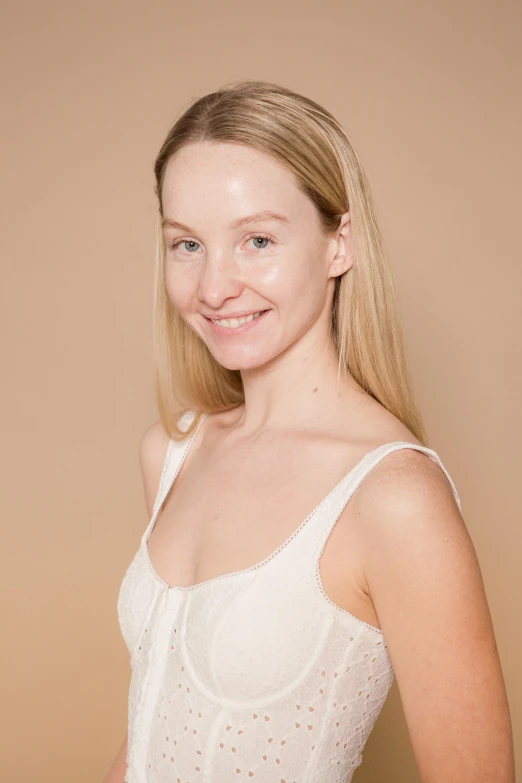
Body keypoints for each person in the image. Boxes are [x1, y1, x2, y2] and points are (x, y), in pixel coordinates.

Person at [103, 80, 514, 783]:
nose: (213, 287)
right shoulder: (172, 453)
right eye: (187, 244)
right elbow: (154, 729)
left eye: (256, 239)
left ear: (338, 245)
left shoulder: (394, 495)